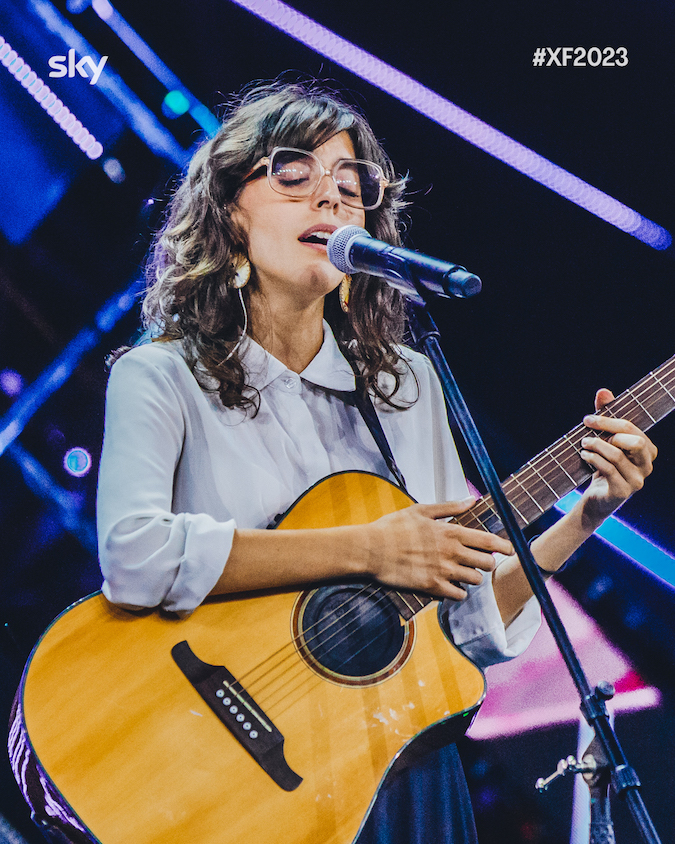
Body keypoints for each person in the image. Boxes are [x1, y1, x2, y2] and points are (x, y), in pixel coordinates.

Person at [13, 80, 657, 844]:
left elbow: (466, 627)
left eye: (351, 191)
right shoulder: (161, 374)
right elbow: (138, 557)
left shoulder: (406, 384)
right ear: (228, 209)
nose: (331, 202)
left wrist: (584, 515)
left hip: (381, 773)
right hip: (218, 764)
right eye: (295, 178)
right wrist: (371, 549)